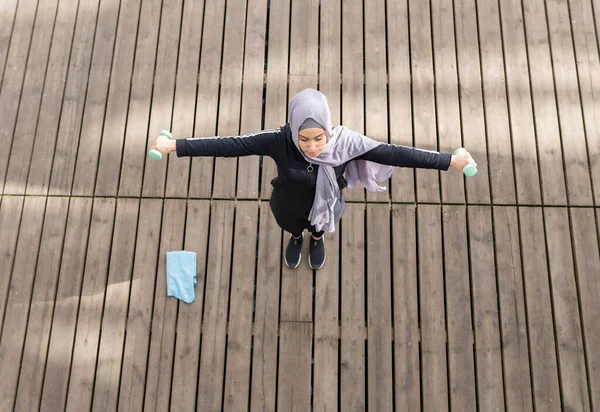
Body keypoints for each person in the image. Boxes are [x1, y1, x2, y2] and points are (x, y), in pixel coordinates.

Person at [150, 88, 476, 270]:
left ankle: (316, 240)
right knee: (293, 228)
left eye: (318, 138)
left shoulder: (346, 143)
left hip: (327, 205)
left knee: (320, 229)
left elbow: (396, 154)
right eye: (303, 139)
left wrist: (450, 161)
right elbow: (228, 145)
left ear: (327, 129)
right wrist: (173, 146)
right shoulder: (278, 140)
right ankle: (295, 239)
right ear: (292, 128)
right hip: (288, 205)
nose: (312, 147)